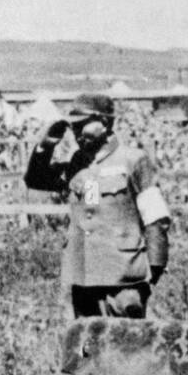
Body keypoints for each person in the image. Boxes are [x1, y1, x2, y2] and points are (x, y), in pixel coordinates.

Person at [24, 93, 170, 317]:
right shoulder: (77, 164)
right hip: (84, 274)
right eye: (73, 127)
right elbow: (37, 180)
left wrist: (155, 267)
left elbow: (155, 218)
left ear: (104, 122)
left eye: (82, 125)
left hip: (124, 276)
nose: (77, 133)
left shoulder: (133, 160)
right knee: (87, 345)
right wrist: (45, 147)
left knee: (126, 344)